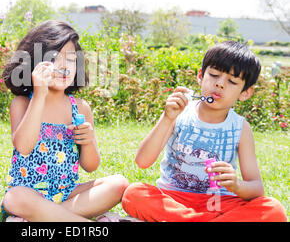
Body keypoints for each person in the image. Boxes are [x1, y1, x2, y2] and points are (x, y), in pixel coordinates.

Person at [122, 41, 287, 222]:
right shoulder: (179, 113)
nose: (220, 84)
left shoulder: (241, 127)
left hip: (220, 203)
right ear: (200, 76)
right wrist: (167, 118)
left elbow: (256, 188)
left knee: (273, 209)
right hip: (173, 198)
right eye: (214, 75)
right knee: (134, 193)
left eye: (232, 81)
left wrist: (237, 185)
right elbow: (142, 161)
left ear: (245, 93)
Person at [1, 20, 129, 222]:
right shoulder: (23, 103)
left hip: (68, 192)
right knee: (14, 197)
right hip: (28, 193)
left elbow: (91, 165)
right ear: (34, 64)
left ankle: (41, 217)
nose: (63, 66)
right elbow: (23, 147)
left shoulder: (80, 107)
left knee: (119, 184)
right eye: (53, 58)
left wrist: (87, 141)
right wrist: (40, 94)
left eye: (70, 59)